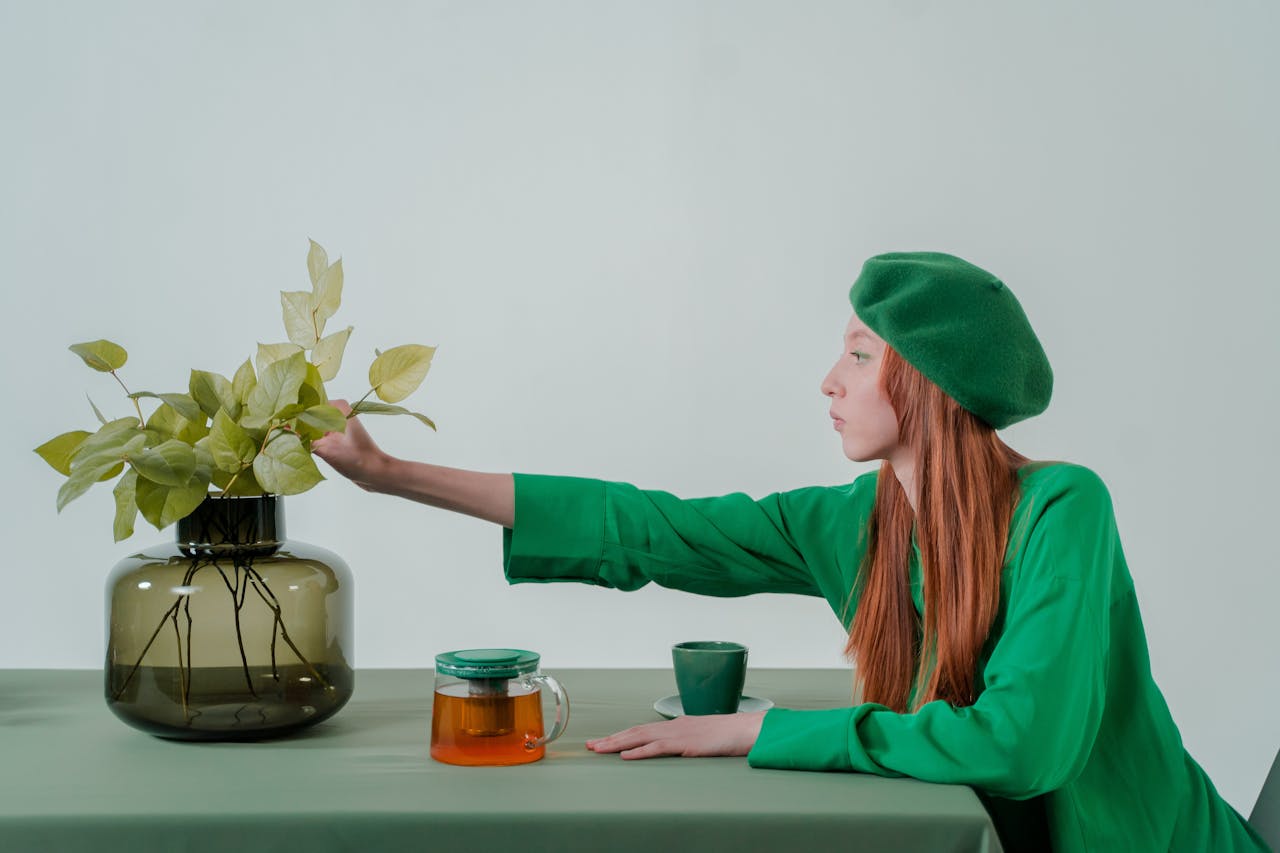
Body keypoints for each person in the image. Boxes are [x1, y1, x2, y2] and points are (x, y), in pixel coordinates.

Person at [312, 251, 1268, 852]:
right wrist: (391, 472)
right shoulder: (854, 522)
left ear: (929, 377)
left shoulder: (1065, 508)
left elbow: (1021, 746)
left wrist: (755, 731)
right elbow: (647, 526)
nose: (828, 379)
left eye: (859, 353)